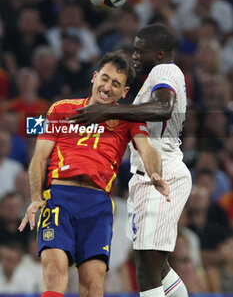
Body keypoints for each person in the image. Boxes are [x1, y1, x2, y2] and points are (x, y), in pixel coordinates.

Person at [19, 50, 170, 297]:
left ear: (124, 93)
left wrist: (154, 173)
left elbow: (147, 149)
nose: (107, 87)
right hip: (59, 198)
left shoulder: (126, 119)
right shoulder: (62, 108)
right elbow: (39, 158)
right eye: (105, 78)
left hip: (97, 204)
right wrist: (36, 197)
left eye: (116, 84)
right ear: (94, 76)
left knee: (93, 284)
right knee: (54, 272)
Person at [68, 24, 192, 297]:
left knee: (147, 273)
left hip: (161, 173)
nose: (134, 55)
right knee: (158, 270)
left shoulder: (165, 70)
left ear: (159, 52)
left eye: (139, 50)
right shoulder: (157, 76)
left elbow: (163, 108)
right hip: (151, 174)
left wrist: (107, 112)